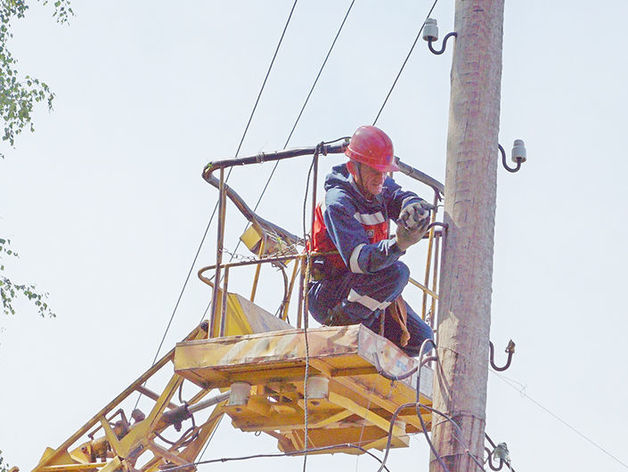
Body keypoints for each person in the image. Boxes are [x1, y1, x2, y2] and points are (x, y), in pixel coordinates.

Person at [307, 125, 434, 357]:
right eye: (374, 171)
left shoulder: (379, 186)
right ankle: (340, 321)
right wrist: (399, 244)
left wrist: (413, 206)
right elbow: (359, 260)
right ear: (352, 168)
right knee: (397, 273)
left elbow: (398, 195)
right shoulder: (337, 202)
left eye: (384, 171)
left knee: (422, 340)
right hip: (328, 293)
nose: (380, 178)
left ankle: (365, 324)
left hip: (366, 290)